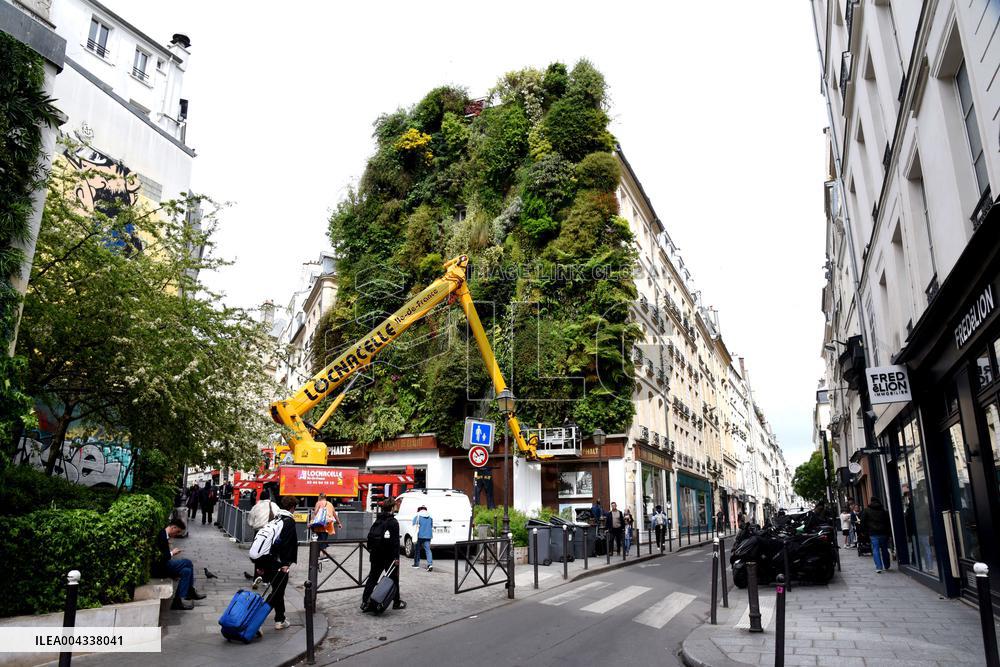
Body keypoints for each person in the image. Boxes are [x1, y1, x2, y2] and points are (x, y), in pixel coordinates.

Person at [251, 496, 297, 630]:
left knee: (278, 589)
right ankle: (255, 622)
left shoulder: (275, 520)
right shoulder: (288, 522)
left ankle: (280, 619)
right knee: (276, 592)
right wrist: (285, 564)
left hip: (265, 559)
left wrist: (259, 566)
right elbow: (288, 544)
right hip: (276, 562)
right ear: (293, 507)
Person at [362, 498, 406, 611]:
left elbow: (370, 538)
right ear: (392, 508)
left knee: (372, 578)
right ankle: (396, 602)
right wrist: (396, 558)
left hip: (376, 555)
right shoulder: (393, 522)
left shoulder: (378, 520)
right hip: (388, 557)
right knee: (393, 579)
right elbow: (395, 543)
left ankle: (365, 602)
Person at [152, 518, 206, 611]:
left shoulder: (164, 535)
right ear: (173, 528)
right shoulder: (162, 536)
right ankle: (190, 591)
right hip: (160, 567)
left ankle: (177, 602)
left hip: (164, 565)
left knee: (186, 571)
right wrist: (172, 553)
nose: (176, 535)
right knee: (187, 562)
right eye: (177, 532)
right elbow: (161, 558)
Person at [859, 497, 892, 573]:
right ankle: (886, 565)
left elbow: (862, 522)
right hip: (883, 533)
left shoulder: (867, 510)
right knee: (884, 549)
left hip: (873, 533)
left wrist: (863, 531)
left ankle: (878, 567)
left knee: (875, 549)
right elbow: (888, 523)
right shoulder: (883, 511)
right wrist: (888, 533)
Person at [411, 504, 433, 571]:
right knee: (428, 550)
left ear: (420, 509)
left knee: (417, 550)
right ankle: (430, 564)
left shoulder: (417, 516)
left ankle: (416, 564)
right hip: (428, 536)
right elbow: (431, 525)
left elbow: (414, 525)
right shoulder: (430, 517)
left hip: (419, 535)